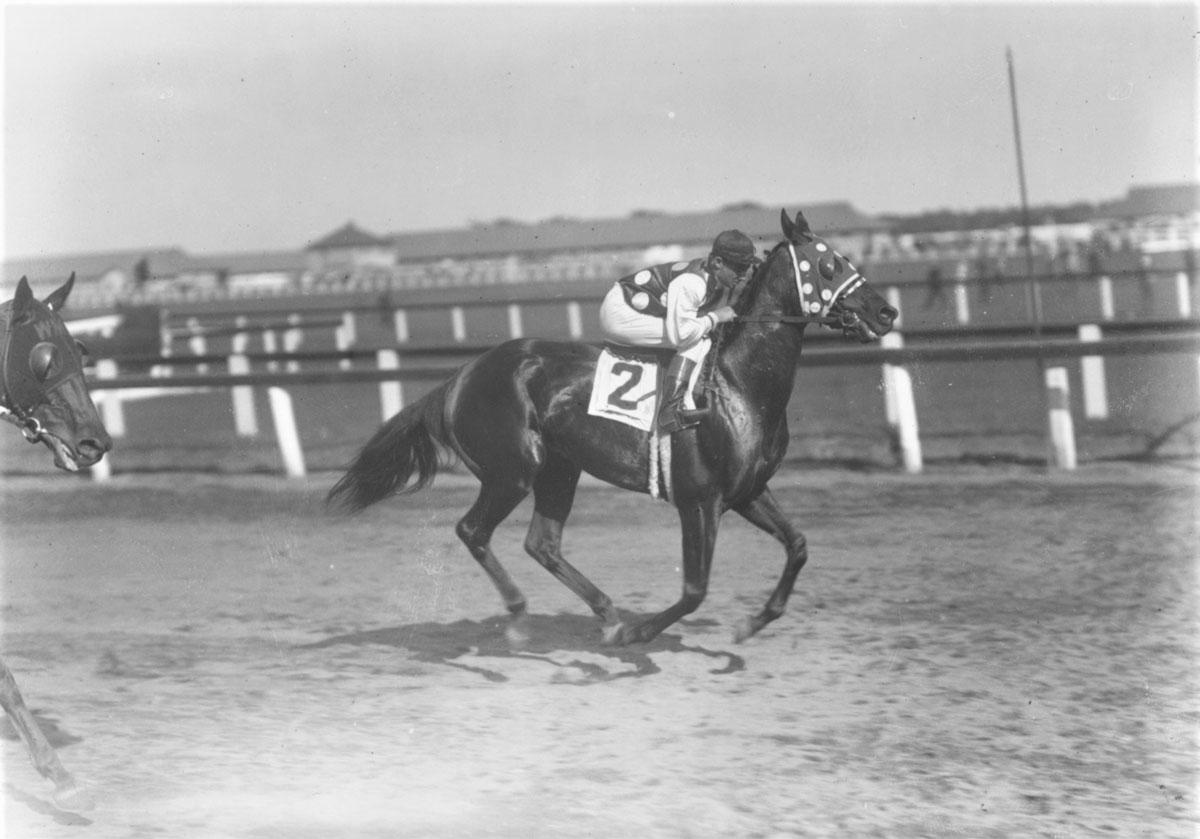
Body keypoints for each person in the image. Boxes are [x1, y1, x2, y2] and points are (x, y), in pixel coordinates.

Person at [599, 229, 758, 433]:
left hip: (628, 304)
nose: (744, 276)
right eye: (739, 268)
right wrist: (715, 317)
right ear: (718, 262)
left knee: (700, 333)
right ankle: (671, 410)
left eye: (747, 268)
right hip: (620, 313)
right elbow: (681, 335)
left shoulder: (708, 276)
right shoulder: (693, 283)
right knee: (695, 340)